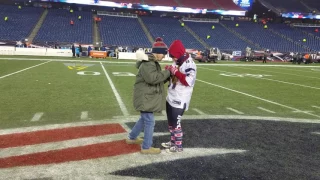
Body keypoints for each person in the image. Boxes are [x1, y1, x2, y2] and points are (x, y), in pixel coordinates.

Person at [126, 40, 170, 154]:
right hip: (145, 97)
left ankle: (131, 138)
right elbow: (152, 78)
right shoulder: (148, 63)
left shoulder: (151, 62)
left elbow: (156, 79)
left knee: (144, 119)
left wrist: (166, 76)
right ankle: (146, 147)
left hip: (146, 96)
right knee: (149, 121)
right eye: (163, 53)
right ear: (158, 52)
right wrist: (168, 72)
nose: (164, 56)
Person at [162, 40, 197, 153]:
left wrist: (175, 72)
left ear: (179, 54)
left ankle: (179, 146)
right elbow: (173, 73)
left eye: (174, 56)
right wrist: (169, 71)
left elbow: (189, 81)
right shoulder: (177, 62)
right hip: (171, 96)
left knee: (176, 124)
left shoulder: (190, 64)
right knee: (171, 123)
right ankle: (172, 142)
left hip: (181, 97)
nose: (173, 59)